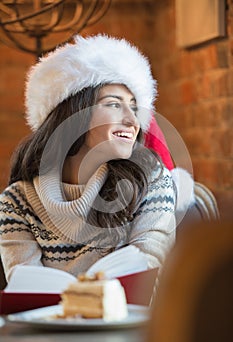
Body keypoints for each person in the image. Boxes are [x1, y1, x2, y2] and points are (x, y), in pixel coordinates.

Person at [0, 34, 176, 282]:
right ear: (74, 115)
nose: (132, 120)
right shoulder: (15, 201)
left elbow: (149, 278)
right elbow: (28, 292)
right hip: (48, 321)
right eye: (114, 104)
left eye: (135, 107)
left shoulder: (153, 182)